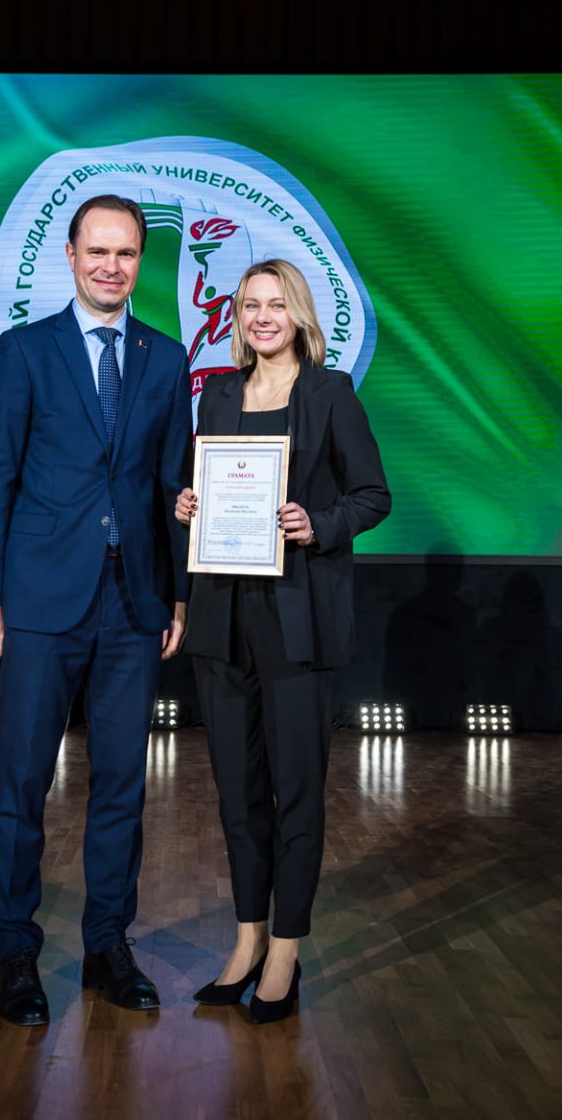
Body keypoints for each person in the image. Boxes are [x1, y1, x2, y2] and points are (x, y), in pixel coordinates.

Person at [0, 194, 192, 1024]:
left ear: (140, 261)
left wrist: (178, 592)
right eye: (97, 251)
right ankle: (16, 953)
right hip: (37, 602)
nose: (111, 266)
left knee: (123, 782)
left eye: (125, 253)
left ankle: (106, 945)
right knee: (22, 781)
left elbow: (172, 484)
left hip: (133, 605)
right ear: (69, 254)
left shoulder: (166, 359)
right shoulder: (25, 351)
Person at [175, 259, 390, 1024]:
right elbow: (199, 485)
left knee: (295, 791)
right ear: (236, 316)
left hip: (299, 621)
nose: (262, 316)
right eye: (250, 305)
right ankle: (245, 941)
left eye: (276, 304)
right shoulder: (216, 393)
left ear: (299, 314)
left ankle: (285, 953)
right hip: (222, 617)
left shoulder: (332, 393)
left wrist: (318, 523)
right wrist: (188, 501)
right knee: (237, 793)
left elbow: (373, 495)